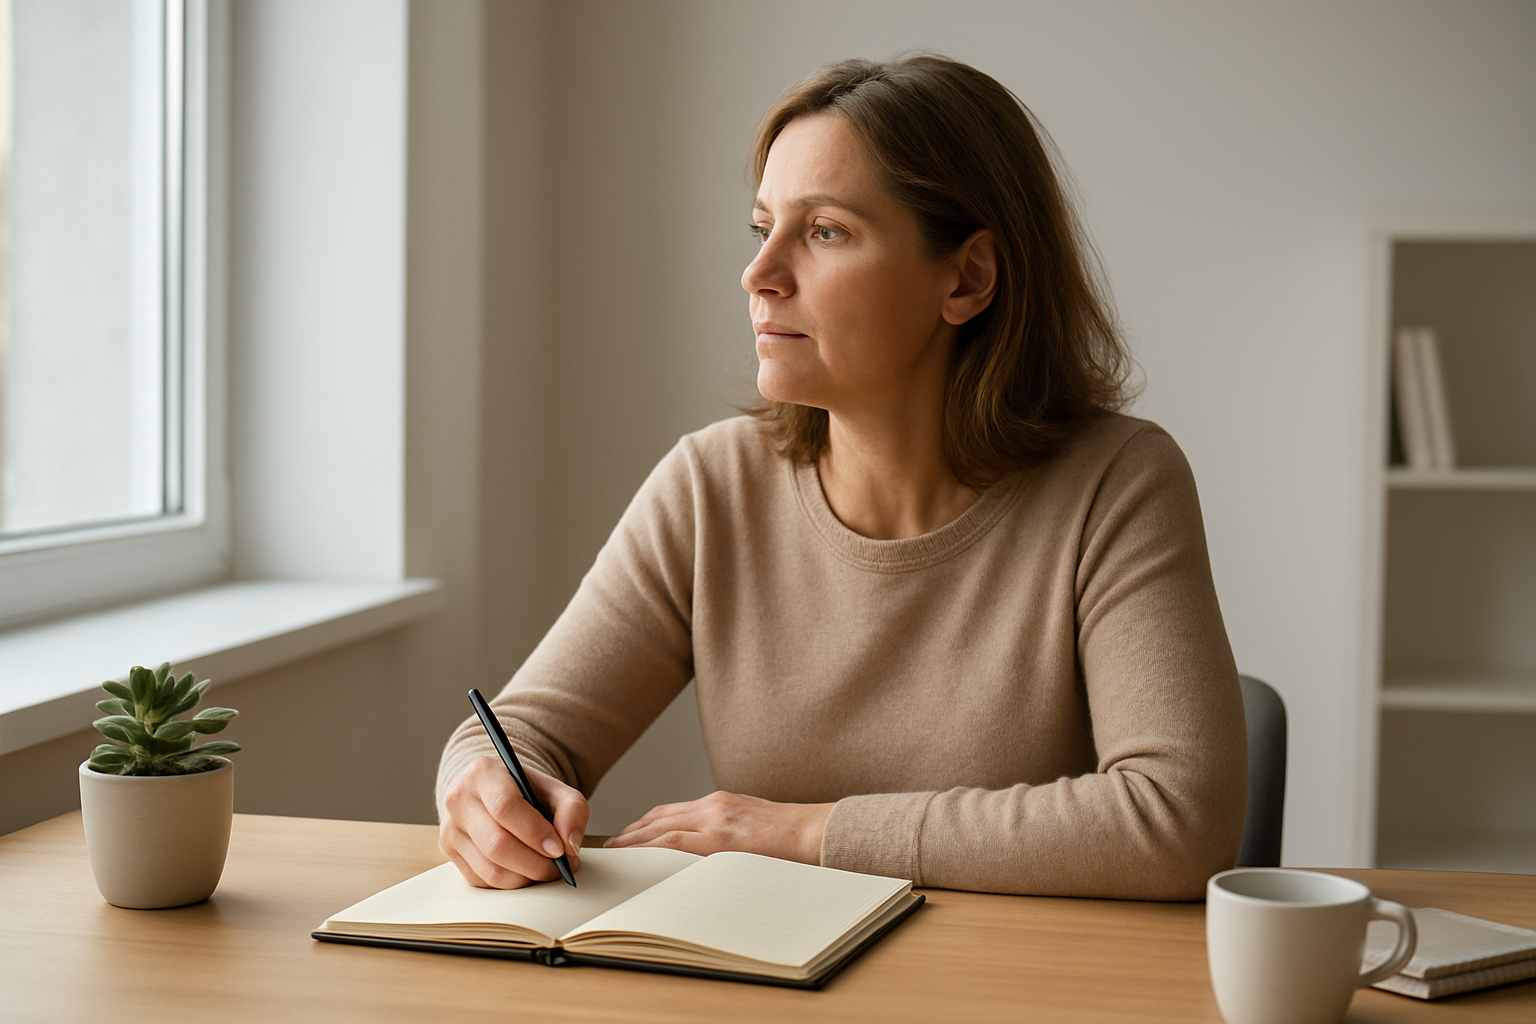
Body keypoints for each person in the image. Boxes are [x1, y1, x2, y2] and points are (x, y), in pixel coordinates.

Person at [436, 54, 1247, 900]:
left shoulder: (1117, 483)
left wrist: (805, 831)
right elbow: (522, 731)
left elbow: (1179, 820)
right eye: (762, 229)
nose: (760, 275)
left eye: (824, 232)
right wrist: (487, 789)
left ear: (967, 278)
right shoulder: (711, 488)